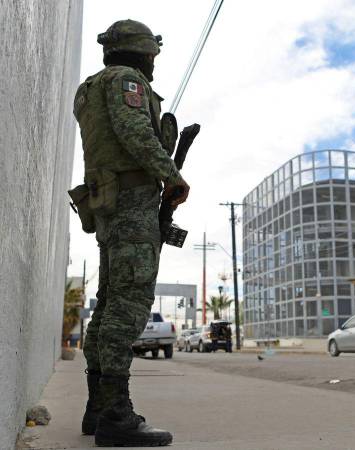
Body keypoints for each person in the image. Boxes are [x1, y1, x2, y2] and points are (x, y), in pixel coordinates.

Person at [73, 19, 189, 447]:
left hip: (106, 202)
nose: (154, 63)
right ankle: (117, 416)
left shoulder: (87, 89)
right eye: (151, 55)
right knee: (129, 304)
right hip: (132, 202)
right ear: (141, 51)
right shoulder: (126, 81)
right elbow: (135, 130)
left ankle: (97, 407)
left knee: (107, 305)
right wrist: (172, 176)